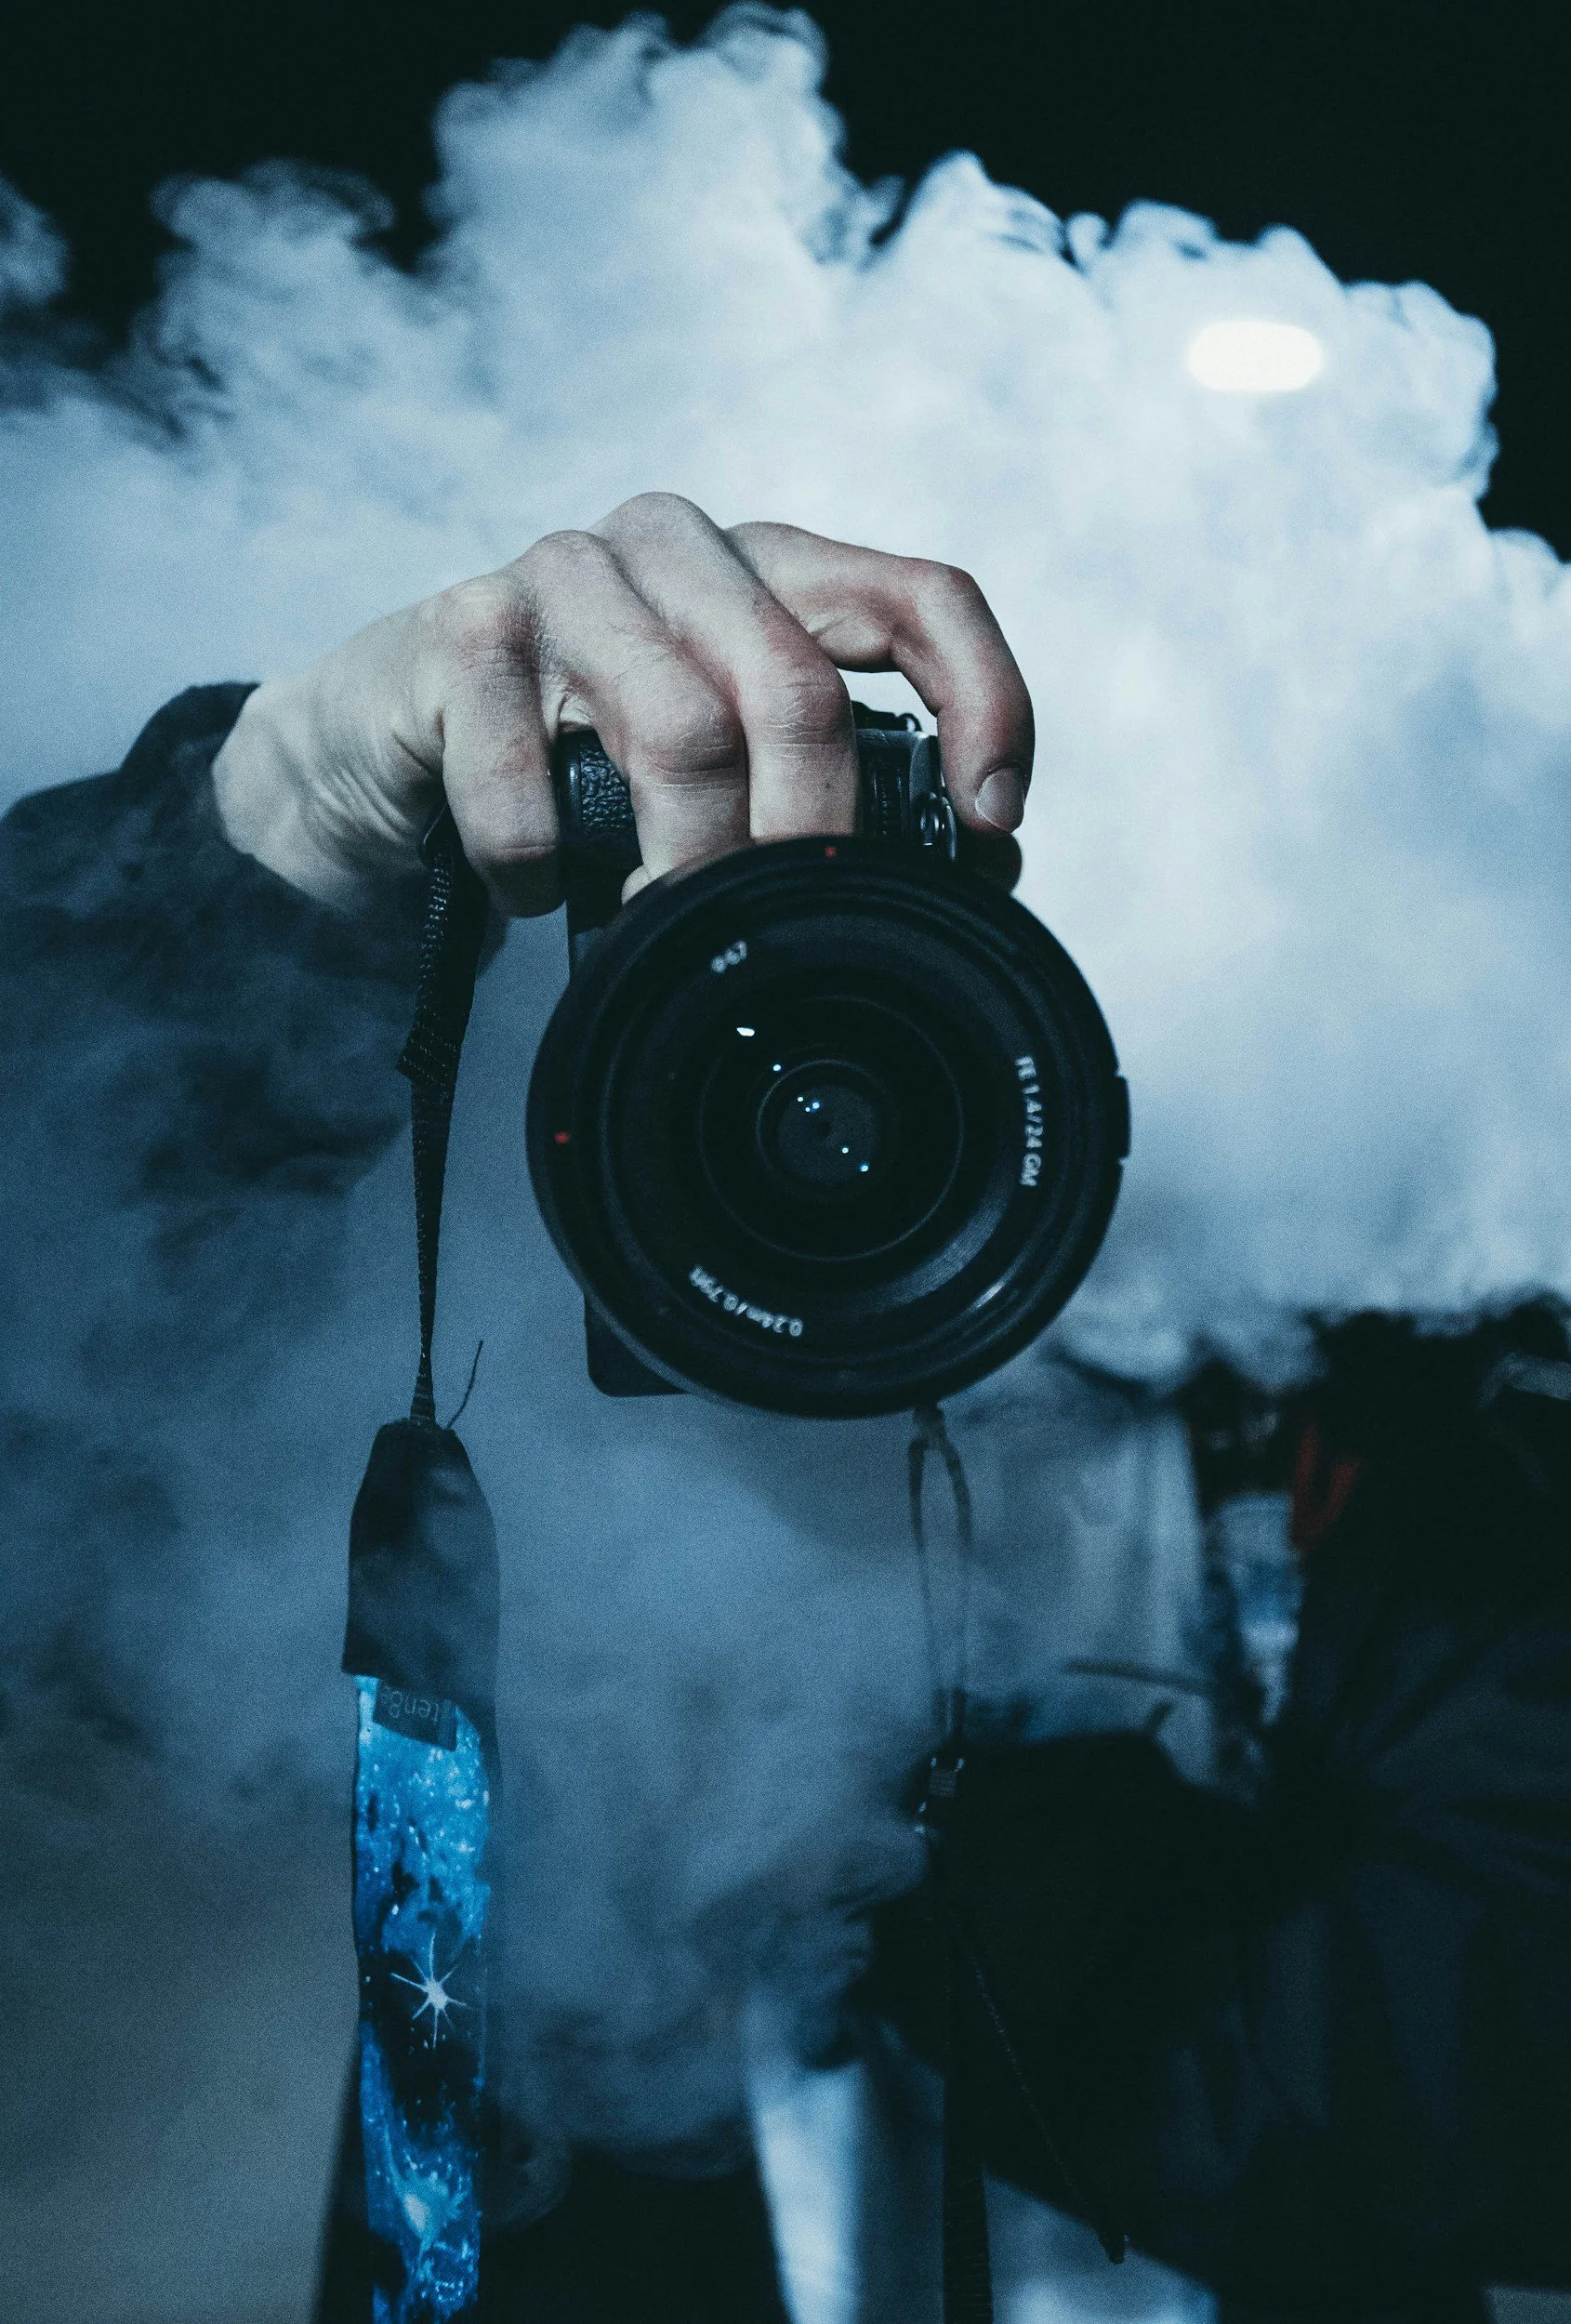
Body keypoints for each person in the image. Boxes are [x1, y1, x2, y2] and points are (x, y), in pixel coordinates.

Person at [4, 494, 1567, 2321]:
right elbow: (56, 1392)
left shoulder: (1368, 1386)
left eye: (917, 953)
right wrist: (261, 857)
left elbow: (1481, 2100)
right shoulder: (438, 1265)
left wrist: (865, 1786)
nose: (833, 1100)